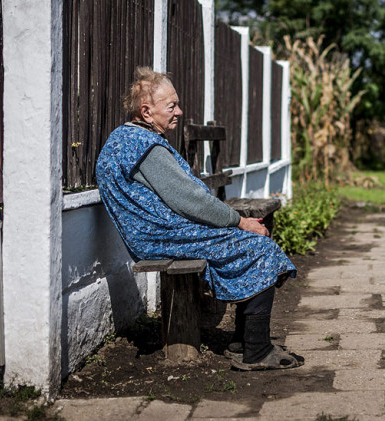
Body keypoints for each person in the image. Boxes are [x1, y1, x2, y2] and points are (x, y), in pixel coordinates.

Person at [96, 66, 302, 370]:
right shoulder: (144, 147)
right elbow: (190, 200)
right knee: (260, 248)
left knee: (250, 243)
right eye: (172, 106)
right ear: (147, 111)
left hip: (158, 232)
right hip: (160, 236)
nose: (179, 111)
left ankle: (242, 343)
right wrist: (240, 220)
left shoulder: (128, 139)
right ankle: (256, 351)